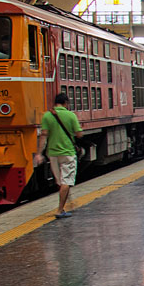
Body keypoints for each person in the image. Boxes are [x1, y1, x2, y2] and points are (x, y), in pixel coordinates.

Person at [33, 91, 84, 219]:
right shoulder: (70, 115)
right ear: (66, 103)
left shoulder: (47, 116)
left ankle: (66, 203)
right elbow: (79, 134)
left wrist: (39, 154)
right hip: (67, 153)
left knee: (60, 182)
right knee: (66, 181)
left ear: (55, 103)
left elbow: (43, 135)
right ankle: (60, 210)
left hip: (53, 154)